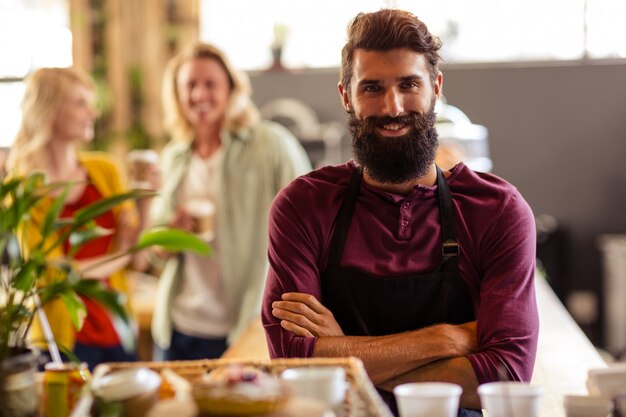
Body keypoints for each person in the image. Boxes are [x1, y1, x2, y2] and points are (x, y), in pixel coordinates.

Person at [262, 9, 538, 417]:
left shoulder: (496, 210)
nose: (392, 107)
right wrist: (444, 339)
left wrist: (339, 356)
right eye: (372, 87)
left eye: (409, 84)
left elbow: (505, 375)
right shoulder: (304, 206)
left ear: (435, 88)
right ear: (346, 96)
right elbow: (292, 360)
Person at [149, 42, 311, 361]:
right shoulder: (173, 158)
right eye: (190, 85)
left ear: (231, 89)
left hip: (245, 327)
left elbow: (309, 223)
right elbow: (157, 253)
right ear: (177, 95)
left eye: (210, 84)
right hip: (178, 328)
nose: (199, 94)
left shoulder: (270, 144)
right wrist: (171, 234)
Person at [7, 67, 147, 370]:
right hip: (62, 342)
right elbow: (51, 275)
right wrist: (120, 253)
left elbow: (139, 256)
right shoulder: (23, 191)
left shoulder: (106, 170)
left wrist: (147, 198)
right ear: (50, 110)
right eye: (81, 103)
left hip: (117, 329)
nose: (93, 112)